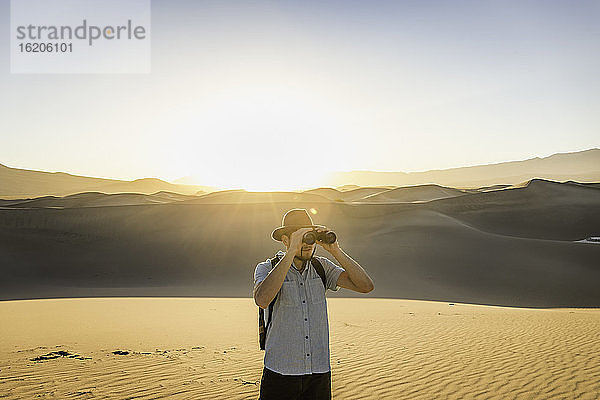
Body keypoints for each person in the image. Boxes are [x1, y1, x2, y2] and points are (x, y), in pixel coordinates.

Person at [253, 208, 375, 400]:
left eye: (309, 236)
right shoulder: (267, 268)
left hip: (318, 373)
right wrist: (292, 250)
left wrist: (335, 249)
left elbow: (366, 286)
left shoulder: (321, 267)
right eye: (301, 237)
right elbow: (262, 300)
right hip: (280, 373)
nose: (307, 244)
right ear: (285, 240)